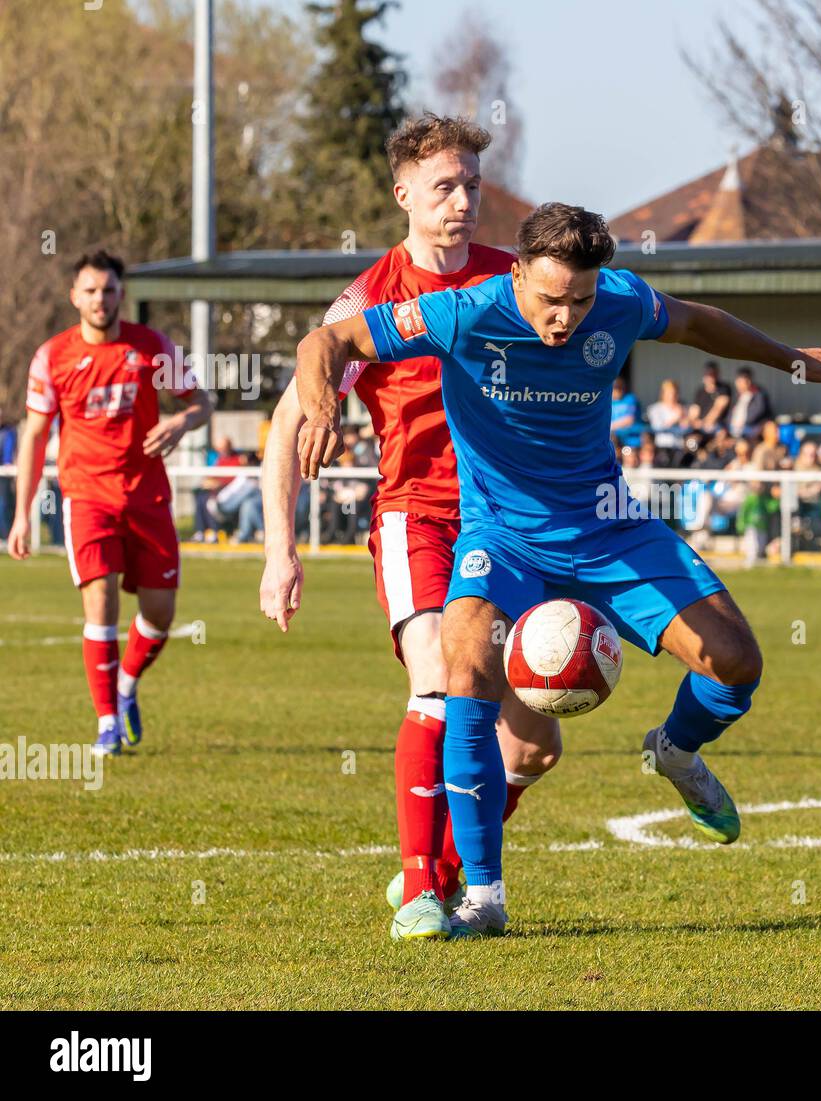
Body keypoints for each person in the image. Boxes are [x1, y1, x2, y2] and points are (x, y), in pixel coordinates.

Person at [295, 202, 821, 937]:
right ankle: (483, 896)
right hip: (503, 541)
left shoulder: (618, 301)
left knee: (736, 663)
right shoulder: (462, 312)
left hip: (608, 529)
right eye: (551, 299)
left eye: (580, 301)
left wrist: (789, 357)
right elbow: (329, 339)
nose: (565, 319)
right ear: (518, 271)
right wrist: (319, 404)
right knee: (462, 669)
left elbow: (696, 322)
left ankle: (677, 752)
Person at [257, 114, 561, 943]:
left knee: (533, 744)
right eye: (444, 187)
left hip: (511, 524)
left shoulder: (517, 279)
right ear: (404, 197)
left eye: (471, 185)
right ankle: (424, 892)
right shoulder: (369, 298)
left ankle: (452, 867)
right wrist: (281, 549)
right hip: (417, 516)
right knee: (435, 680)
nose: (463, 200)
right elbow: (287, 421)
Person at [6, 250, 212, 754]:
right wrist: (22, 515)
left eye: (110, 290)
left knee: (160, 613)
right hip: (87, 497)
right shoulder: (51, 356)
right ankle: (105, 724)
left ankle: (125, 688)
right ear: (75, 297)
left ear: (122, 295)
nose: (101, 299)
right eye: (92, 291)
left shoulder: (150, 348)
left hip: (148, 495)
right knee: (100, 604)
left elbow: (201, 403)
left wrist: (181, 421)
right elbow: (34, 437)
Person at [687, 360, 731, 436]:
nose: (711, 377)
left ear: (717, 374)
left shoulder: (724, 389)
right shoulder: (700, 391)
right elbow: (694, 409)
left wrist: (704, 422)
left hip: (717, 424)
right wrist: (692, 421)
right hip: (700, 424)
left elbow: (718, 409)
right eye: (708, 374)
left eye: (713, 374)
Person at [727, 366, 772, 438]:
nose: (737, 384)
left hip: (750, 428)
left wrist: (741, 423)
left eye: (740, 381)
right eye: (737, 381)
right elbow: (730, 413)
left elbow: (758, 412)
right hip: (733, 428)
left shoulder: (758, 394)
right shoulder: (737, 395)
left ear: (748, 381)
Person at [646, 378, 687, 451]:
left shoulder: (682, 408)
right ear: (663, 393)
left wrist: (686, 418)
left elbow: (685, 428)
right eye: (669, 393)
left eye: (675, 393)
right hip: (662, 446)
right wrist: (675, 418)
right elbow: (657, 427)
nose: (672, 396)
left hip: (679, 447)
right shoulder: (655, 409)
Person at [609, 375, 640, 439]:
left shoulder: (630, 399)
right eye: (615, 388)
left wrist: (609, 426)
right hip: (613, 438)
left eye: (620, 388)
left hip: (631, 437)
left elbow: (629, 420)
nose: (618, 391)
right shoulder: (607, 401)